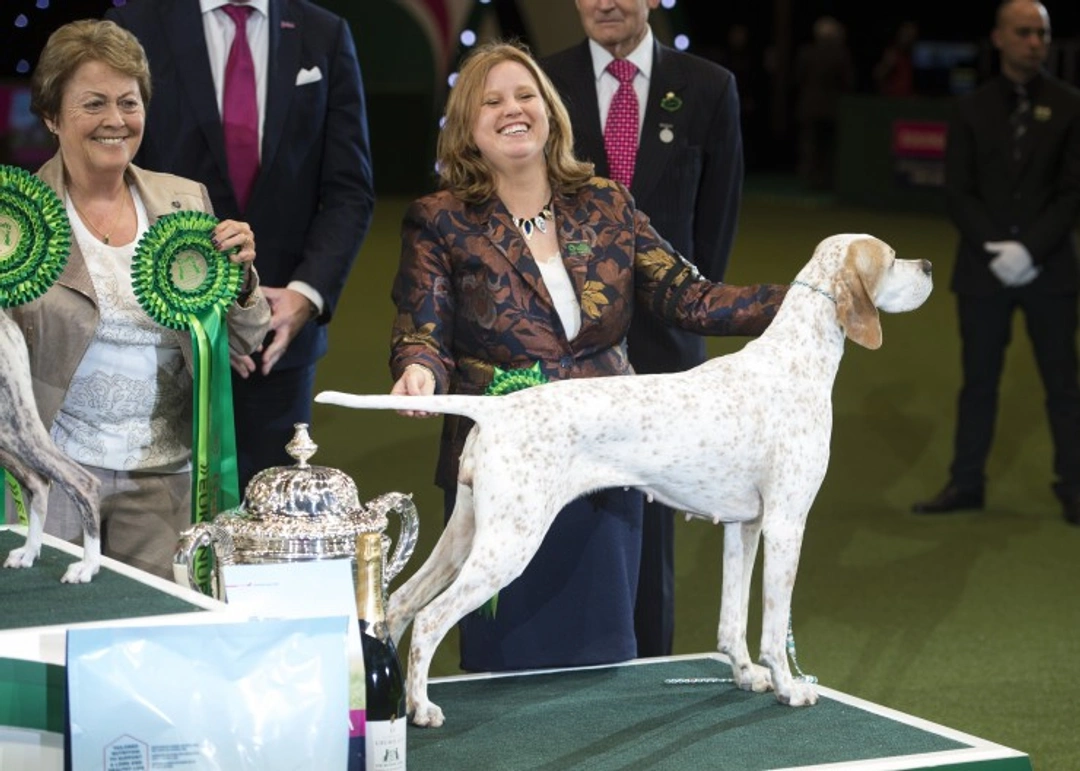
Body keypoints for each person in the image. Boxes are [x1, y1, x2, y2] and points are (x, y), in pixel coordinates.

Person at [387, 40, 787, 672]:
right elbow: (423, 325)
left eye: (526, 96)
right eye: (491, 101)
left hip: (609, 457)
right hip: (509, 465)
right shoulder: (439, 219)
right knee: (508, 671)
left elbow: (690, 297)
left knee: (601, 661)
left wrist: (805, 298)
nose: (512, 110)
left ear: (551, 112)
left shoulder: (608, 203)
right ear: (467, 126)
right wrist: (418, 371)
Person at [7, 19, 270, 578]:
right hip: (54, 483)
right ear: (52, 116)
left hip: (166, 485)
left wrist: (244, 280)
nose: (115, 121)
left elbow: (246, 339)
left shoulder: (184, 200)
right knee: (51, 644)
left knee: (158, 647)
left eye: (129, 102)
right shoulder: (16, 221)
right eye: (93, 103)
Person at [540, 0, 744, 658]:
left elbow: (716, 227)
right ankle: (557, 661)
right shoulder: (539, 83)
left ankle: (647, 664)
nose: (605, 2)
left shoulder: (710, 87)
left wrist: (679, 309)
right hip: (560, 343)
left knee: (652, 527)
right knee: (557, 506)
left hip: (665, 346)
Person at [105, 0, 375, 492]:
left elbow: (349, 190)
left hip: (279, 342)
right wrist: (191, 315)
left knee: (268, 525)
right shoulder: (133, 24)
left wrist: (304, 295)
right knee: (158, 530)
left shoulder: (325, 33)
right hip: (160, 341)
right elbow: (110, 181)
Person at [912, 0, 1080, 527]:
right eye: (1025, 32)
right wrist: (997, 250)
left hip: (1050, 270)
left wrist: (1029, 251)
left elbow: (1072, 192)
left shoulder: (1071, 104)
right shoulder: (970, 108)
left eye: (1043, 33)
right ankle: (966, 483)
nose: (1035, 41)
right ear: (1000, 38)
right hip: (983, 273)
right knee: (978, 382)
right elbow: (958, 193)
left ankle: (1073, 488)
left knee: (1063, 385)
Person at [793, 15, 855, 191]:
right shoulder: (841, 54)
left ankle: (810, 182)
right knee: (828, 148)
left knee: (810, 146)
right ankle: (827, 182)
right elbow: (848, 83)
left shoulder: (806, 53)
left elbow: (798, 78)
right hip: (832, 108)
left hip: (809, 107)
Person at [873, 21, 919, 98]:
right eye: (907, 36)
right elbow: (877, 76)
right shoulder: (892, 53)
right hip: (893, 100)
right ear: (899, 35)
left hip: (905, 100)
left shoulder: (910, 56)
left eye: (912, 37)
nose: (909, 40)